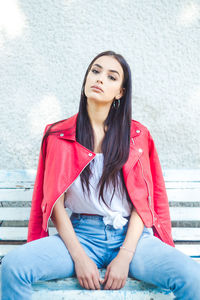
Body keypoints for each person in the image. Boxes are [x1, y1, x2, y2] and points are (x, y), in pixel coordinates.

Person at [1, 50, 200, 300]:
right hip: (80, 235)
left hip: (132, 237)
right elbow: (55, 204)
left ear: (120, 92)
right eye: (95, 71)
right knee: (13, 267)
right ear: (86, 79)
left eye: (111, 77)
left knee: (193, 277)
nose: (100, 79)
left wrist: (125, 256)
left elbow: (143, 202)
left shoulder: (137, 136)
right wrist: (79, 258)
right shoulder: (57, 135)